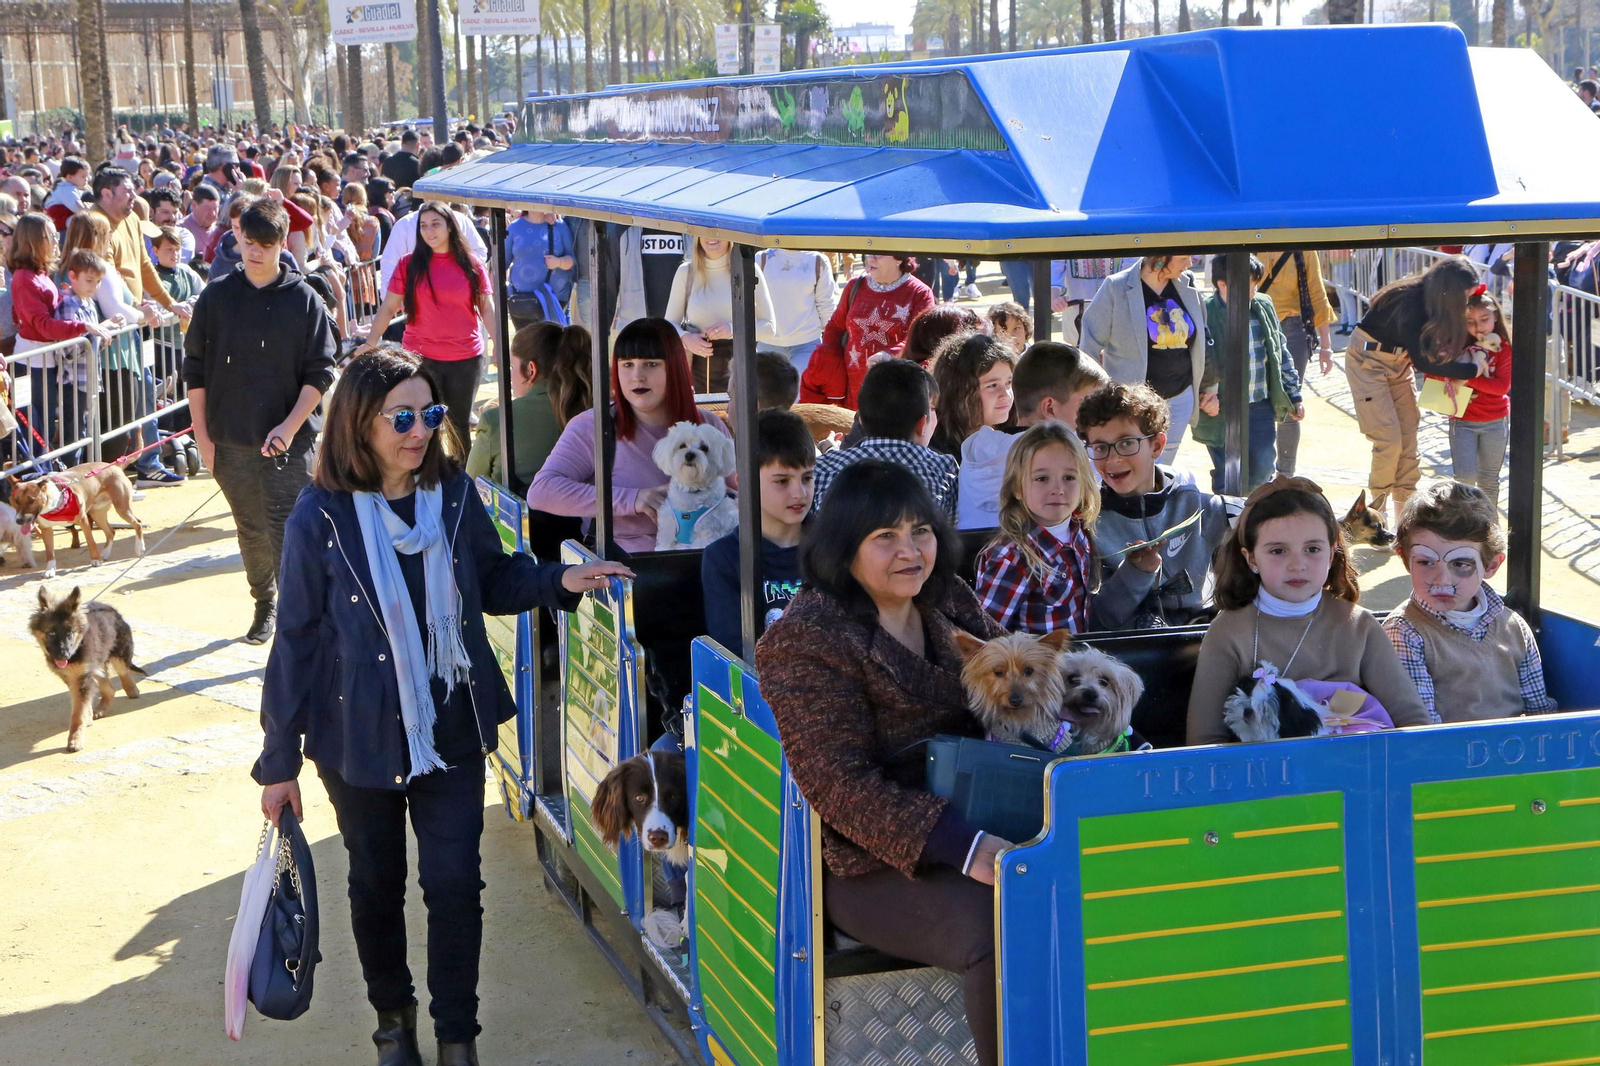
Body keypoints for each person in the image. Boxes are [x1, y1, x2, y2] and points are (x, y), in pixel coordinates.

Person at [255, 346, 629, 1066]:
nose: (419, 429)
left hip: (451, 724)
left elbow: (491, 579)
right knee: (376, 886)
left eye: (429, 413)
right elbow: (296, 640)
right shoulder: (320, 516)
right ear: (358, 424)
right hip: (357, 737)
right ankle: (394, 1028)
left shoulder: (453, 493)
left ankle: (458, 1039)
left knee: (455, 885)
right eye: (402, 416)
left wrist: (564, 579)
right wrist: (278, 762)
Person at [755, 460, 1009, 1066]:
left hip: (987, 812)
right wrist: (963, 845)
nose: (910, 551)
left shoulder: (944, 596)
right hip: (874, 860)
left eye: (920, 531)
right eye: (885, 537)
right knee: (1001, 932)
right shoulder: (808, 637)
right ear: (844, 548)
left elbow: (1011, 671)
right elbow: (837, 784)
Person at [183, 199, 337, 645]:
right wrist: (203, 438)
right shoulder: (216, 296)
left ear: (281, 244)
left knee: (290, 527)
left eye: (265, 245)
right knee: (250, 529)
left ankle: (299, 613)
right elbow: (194, 368)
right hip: (230, 439)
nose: (254, 252)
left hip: (291, 441)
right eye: (248, 242)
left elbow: (320, 372)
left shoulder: (305, 298)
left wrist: (288, 427)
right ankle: (264, 603)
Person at [1186, 477, 1431, 744]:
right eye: (1278, 551)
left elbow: (1413, 722)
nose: (1297, 564)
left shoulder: (1360, 627)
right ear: (1251, 558)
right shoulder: (1229, 632)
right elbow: (1205, 740)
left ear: (1331, 554)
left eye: (1312, 549)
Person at [527, 317, 734, 554]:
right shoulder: (592, 426)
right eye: (627, 364)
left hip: (706, 564)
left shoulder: (708, 424)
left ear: (675, 368)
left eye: (651, 364)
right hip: (624, 571)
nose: (637, 376)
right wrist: (632, 499)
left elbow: (738, 487)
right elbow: (541, 491)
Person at [1382, 481, 1554, 724]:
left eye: (1460, 564)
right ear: (1405, 558)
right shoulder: (1405, 633)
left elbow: (1539, 711)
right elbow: (1422, 727)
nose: (1441, 579)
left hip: (1516, 752)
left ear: (1491, 565)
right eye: (1425, 562)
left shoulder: (1514, 627)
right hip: (1449, 756)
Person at [1078, 382, 1230, 630]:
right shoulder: (1088, 522)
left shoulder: (1198, 506)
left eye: (1127, 443)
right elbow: (1099, 619)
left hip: (1199, 640)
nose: (1113, 459)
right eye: (1100, 447)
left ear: (1157, 446)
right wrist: (1136, 572)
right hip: (1127, 653)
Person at [1344, 255, 1483, 526]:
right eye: (1464, 296)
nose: (1466, 302)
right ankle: (1376, 518)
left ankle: (1405, 520)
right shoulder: (1409, 301)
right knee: (1389, 440)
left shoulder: (1434, 302)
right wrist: (1471, 370)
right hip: (1368, 362)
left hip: (1398, 364)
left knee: (1408, 442)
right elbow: (1423, 361)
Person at [357, 201, 494, 442]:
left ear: (450, 226)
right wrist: (371, 342)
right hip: (421, 358)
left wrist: (502, 349)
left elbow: (487, 309)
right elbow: (389, 307)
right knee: (422, 427)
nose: (430, 231)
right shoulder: (408, 264)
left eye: (435, 224)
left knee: (458, 428)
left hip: (465, 357)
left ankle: (459, 479)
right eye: (424, 226)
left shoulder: (472, 264)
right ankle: (423, 477)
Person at [700, 408, 814, 657]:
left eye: (807, 478)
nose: (800, 493)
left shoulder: (834, 547)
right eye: (782, 481)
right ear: (745, 483)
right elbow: (734, 650)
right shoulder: (724, 559)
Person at [974, 421, 1099, 635]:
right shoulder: (1012, 557)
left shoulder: (1079, 534)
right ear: (1017, 488)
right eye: (1042, 479)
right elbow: (985, 636)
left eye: (1069, 477)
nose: (1058, 489)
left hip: (1079, 660)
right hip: (1037, 666)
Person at [1194, 253, 1303, 494]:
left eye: (1255, 283)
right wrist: (1203, 395)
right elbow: (1195, 360)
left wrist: (1293, 394)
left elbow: (1279, 351)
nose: (1253, 290)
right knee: (1227, 473)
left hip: (1259, 405)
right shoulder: (1205, 312)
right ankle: (1229, 523)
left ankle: (1253, 519)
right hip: (1220, 408)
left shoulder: (1263, 305)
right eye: (1247, 284)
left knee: (1263, 467)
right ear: (1222, 284)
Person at [1079, 255, 1205, 462]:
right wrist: (1099, 396)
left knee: (1163, 469)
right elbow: (1088, 347)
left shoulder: (1188, 285)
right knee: (1130, 467)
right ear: (1161, 259)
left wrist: (1209, 388)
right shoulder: (1115, 288)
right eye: (1183, 257)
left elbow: (1203, 340)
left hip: (1180, 398)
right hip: (1129, 405)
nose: (1190, 263)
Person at [10, 215, 110, 460]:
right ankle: (32, 478)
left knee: (46, 425)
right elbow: (42, 325)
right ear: (34, 240)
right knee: (33, 427)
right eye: (50, 236)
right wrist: (83, 326)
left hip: (47, 360)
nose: (56, 241)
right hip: (31, 361)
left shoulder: (41, 274)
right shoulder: (24, 278)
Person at [811, 358, 958, 519]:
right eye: (932, 408)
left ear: (860, 419)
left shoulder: (823, 469)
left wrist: (831, 452)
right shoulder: (944, 469)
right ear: (922, 423)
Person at [465, 321, 591, 496]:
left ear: (531, 370)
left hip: (521, 521)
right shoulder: (597, 409)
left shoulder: (496, 421)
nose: (510, 374)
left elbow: (471, 489)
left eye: (512, 367)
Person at [800, 253, 935, 409]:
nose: (871, 258)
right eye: (869, 254)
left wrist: (890, 356)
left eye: (879, 255)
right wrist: (829, 364)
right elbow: (835, 328)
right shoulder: (854, 286)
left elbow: (920, 340)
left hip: (895, 390)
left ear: (899, 258)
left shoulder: (919, 293)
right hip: (852, 390)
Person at [1256, 251, 1337, 476]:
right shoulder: (1251, 235)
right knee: (1257, 401)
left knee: (1291, 403)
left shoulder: (1303, 248)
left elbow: (1317, 293)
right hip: (1256, 323)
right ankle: (1260, 472)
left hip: (1293, 328)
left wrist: (1326, 347)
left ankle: (1285, 475)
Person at [664, 235, 776, 394]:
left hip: (741, 369)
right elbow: (668, 325)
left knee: (739, 417)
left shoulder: (748, 269)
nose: (711, 237)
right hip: (698, 373)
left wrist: (731, 329)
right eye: (704, 231)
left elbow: (770, 327)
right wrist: (686, 338)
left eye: (718, 231)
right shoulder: (686, 272)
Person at [936, 333, 1018, 529]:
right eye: (992, 385)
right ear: (959, 391)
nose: (1006, 395)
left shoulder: (1017, 438)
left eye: (1008, 383)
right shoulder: (939, 451)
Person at [1442, 291, 1512, 508]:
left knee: (1490, 478)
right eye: (1471, 322)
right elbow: (1438, 376)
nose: (1478, 327)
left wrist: (1467, 379)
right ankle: (1463, 524)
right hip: (1462, 419)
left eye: (1484, 320)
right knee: (1465, 477)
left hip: (1495, 420)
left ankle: (1488, 526)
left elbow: (1501, 386)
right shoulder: (1454, 347)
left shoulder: (1504, 349)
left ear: (1495, 317)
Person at [755, 247, 836, 377]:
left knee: (801, 395)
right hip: (768, 342)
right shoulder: (761, 258)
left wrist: (832, 342)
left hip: (807, 342)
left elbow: (826, 304)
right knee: (769, 395)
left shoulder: (818, 261)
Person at [1011, 340, 1110, 432]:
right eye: (1087, 408)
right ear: (1050, 409)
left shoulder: (999, 446)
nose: (1098, 418)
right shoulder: (1070, 449)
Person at [504, 209, 575, 328]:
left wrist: (559, 262)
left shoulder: (560, 227)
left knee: (550, 342)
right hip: (521, 301)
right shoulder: (514, 228)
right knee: (525, 343)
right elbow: (502, 261)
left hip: (554, 300)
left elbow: (573, 260)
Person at [42, 155, 88, 232]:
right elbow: (76, 207)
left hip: (61, 216)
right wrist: (87, 209)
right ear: (70, 177)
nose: (86, 179)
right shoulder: (68, 189)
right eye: (83, 176)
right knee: (78, 221)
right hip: (58, 216)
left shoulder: (67, 188)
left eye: (87, 176)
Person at [182, 183, 223, 262]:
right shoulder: (182, 229)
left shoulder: (220, 230)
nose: (212, 214)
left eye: (215, 208)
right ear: (194, 205)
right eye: (207, 208)